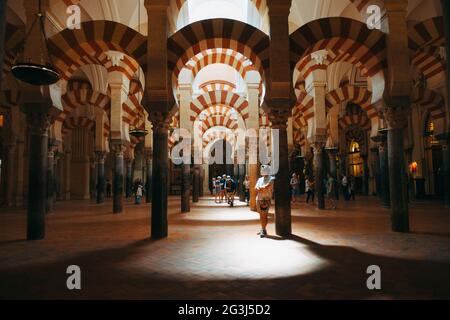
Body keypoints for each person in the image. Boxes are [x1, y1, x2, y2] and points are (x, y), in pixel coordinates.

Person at [255, 165, 274, 238]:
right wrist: (262, 188)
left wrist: (261, 188)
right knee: (261, 215)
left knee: (264, 215)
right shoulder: (260, 179)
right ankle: (263, 228)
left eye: (262, 169)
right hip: (259, 198)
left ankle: (263, 229)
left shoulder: (271, 178)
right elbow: (256, 188)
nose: (260, 171)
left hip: (265, 199)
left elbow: (268, 187)